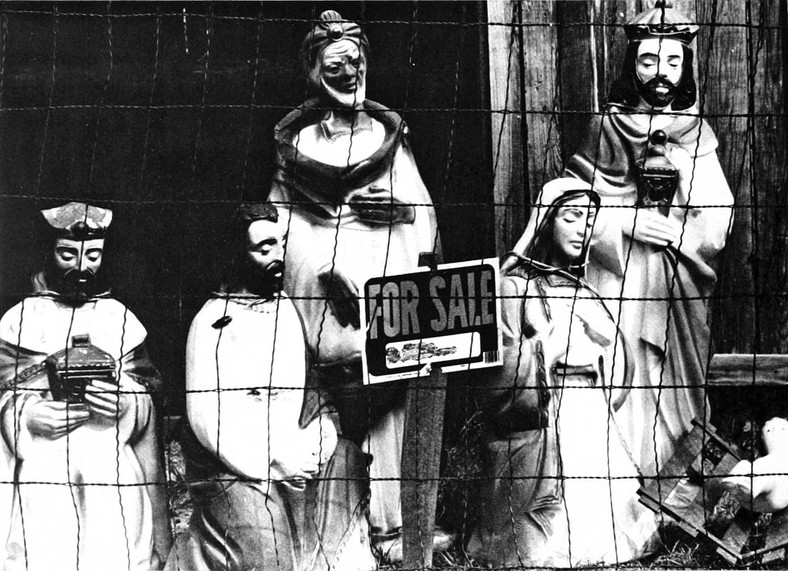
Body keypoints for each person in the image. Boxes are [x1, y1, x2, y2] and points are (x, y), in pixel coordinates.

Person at [522, 1, 734, 478]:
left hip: (675, 279)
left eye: (673, 61)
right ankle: (622, 480)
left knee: (672, 384)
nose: (661, 73)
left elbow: (717, 216)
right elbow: (570, 206)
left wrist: (683, 215)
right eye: (649, 60)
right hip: (618, 277)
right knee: (622, 367)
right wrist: (622, 222)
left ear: (687, 68)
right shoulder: (606, 128)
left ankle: (672, 478)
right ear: (630, 64)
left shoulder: (696, 133)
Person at [269, 10, 438, 557]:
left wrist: (400, 210)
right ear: (314, 72)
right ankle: (343, 527)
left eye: (356, 61)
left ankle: (395, 525)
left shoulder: (389, 138)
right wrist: (322, 269)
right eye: (335, 65)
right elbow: (279, 226)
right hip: (329, 295)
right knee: (335, 398)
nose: (349, 73)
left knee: (394, 398)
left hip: (388, 282)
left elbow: (423, 213)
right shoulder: (298, 144)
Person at [167, 203, 375, 571]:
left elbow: (309, 392)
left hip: (291, 446)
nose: (278, 256)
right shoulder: (212, 323)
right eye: (264, 248)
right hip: (235, 465)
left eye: (281, 244)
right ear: (237, 255)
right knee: (269, 553)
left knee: (346, 462)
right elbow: (207, 421)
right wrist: (271, 460)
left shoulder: (285, 309)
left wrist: (315, 437)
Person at [470, 178, 657, 567]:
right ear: (546, 221)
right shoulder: (513, 288)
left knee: (600, 494)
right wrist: (545, 349)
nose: (582, 229)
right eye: (571, 217)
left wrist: (606, 353)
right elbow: (496, 373)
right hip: (549, 412)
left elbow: (617, 361)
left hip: (591, 410)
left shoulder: (587, 292)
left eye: (589, 220)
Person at [0, 202, 171, 570]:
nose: (82, 267)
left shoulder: (119, 319)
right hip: (44, 465)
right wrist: (26, 416)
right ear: (48, 253)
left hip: (109, 462)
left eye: (93, 255)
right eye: (67, 254)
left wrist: (128, 404)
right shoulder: (20, 321)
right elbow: (3, 395)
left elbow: (147, 394)